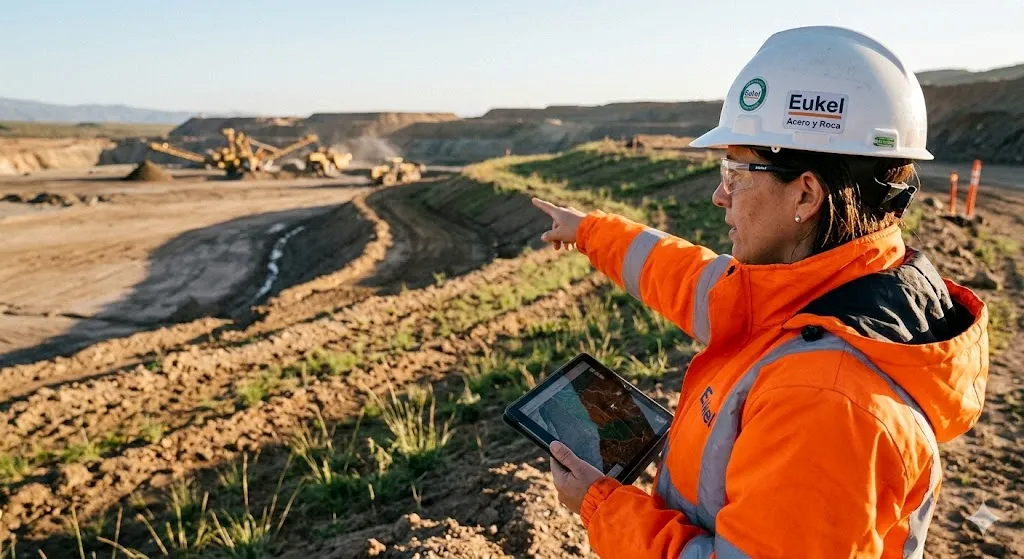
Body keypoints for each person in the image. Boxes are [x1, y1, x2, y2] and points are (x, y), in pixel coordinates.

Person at [530, 26, 989, 558]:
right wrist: (590, 232)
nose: (718, 194)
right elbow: (684, 277)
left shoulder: (824, 401)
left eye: (735, 171)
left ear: (807, 192)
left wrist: (601, 505)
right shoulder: (836, 290)